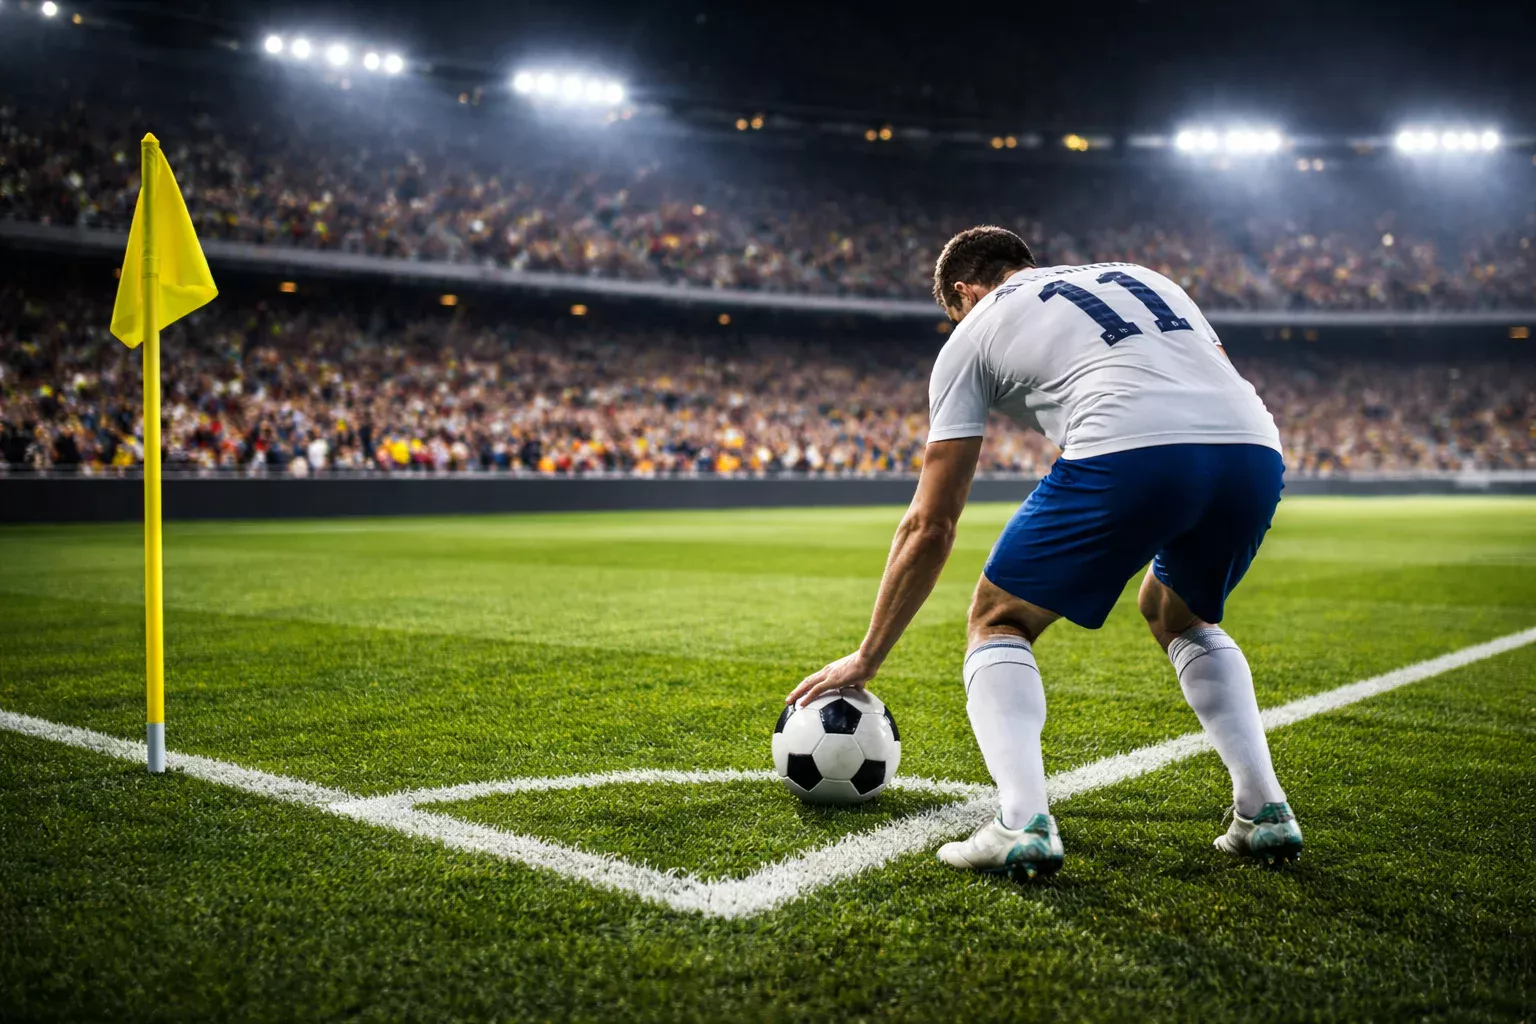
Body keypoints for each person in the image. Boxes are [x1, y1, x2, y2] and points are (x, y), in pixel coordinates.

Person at [786, 226, 1301, 880]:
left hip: (1130, 449)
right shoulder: (1143, 275)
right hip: (1255, 448)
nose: (956, 322)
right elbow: (1207, 374)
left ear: (963, 293)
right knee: (1179, 613)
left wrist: (868, 655)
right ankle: (1264, 810)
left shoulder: (972, 330)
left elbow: (931, 524)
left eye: (953, 311)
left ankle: (1022, 821)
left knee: (999, 619)